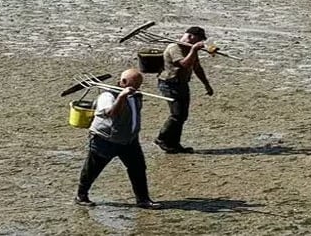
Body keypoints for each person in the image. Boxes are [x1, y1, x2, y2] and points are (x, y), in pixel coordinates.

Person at [75, 68, 158, 208]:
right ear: (124, 82)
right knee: (93, 168)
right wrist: (122, 97)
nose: (137, 88)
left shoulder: (136, 95)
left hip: (129, 140)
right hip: (106, 139)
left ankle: (143, 199)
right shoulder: (107, 96)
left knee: (138, 168)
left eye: (139, 85)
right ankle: (81, 195)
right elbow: (111, 113)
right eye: (134, 85)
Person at [154, 26, 214, 153]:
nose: (198, 43)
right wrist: (193, 50)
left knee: (183, 116)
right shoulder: (174, 48)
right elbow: (184, 64)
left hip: (182, 84)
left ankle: (174, 144)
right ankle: (162, 138)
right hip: (169, 83)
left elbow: (197, 68)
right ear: (191, 36)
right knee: (176, 115)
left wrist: (206, 84)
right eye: (198, 40)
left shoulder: (189, 49)